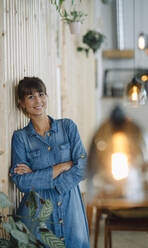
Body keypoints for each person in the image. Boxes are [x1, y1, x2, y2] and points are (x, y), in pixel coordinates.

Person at [10, 77, 90, 248]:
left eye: (41, 94)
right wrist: (60, 167)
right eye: (30, 97)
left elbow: (83, 166)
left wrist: (40, 178)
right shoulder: (20, 138)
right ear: (21, 103)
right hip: (38, 213)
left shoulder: (67, 127)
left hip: (71, 207)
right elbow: (21, 182)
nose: (38, 100)